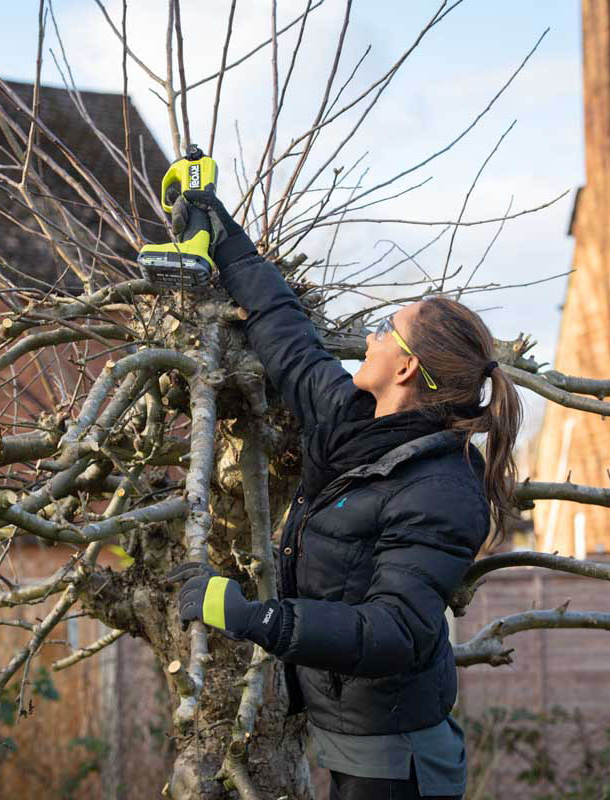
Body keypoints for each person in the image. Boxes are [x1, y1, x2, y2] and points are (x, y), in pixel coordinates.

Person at [167, 190, 523, 800]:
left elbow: (393, 631)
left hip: (399, 766)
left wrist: (254, 617)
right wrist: (223, 235)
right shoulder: (355, 420)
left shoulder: (442, 489)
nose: (371, 334)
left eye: (387, 328)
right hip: (354, 737)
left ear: (407, 368)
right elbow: (289, 336)